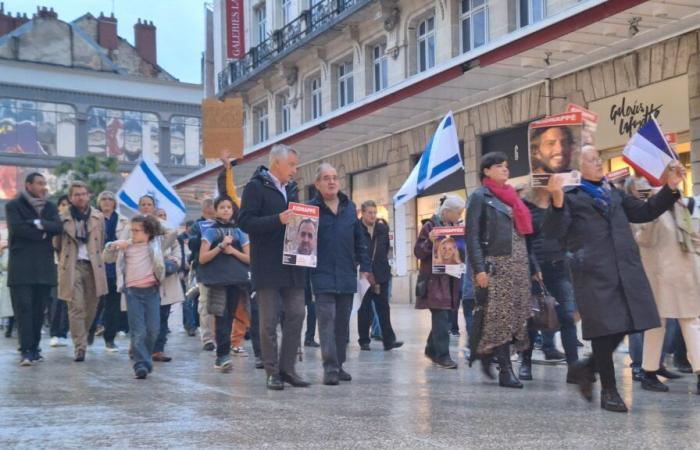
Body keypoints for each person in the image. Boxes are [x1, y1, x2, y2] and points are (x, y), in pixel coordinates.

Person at [544, 146, 684, 412]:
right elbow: (553, 232)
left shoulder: (613, 192)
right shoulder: (570, 195)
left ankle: (586, 367)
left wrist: (669, 187)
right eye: (592, 159)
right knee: (603, 330)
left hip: (625, 268)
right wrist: (557, 200)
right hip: (592, 272)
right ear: (577, 166)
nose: (599, 162)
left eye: (599, 158)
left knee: (629, 323)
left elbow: (644, 212)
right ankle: (609, 391)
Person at [238, 144, 309, 390]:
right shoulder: (255, 187)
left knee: (297, 313)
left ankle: (288, 368)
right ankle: (271, 371)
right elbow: (245, 222)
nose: (295, 170)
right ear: (276, 163)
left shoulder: (291, 189)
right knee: (268, 320)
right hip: (267, 265)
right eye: (292, 165)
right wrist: (277, 220)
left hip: (293, 263)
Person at [465, 152, 539, 388]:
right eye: (499, 166)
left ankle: (489, 354)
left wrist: (534, 266)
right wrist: (479, 269)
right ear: (486, 171)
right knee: (500, 319)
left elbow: (525, 237)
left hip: (518, 265)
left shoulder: (512, 198)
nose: (505, 170)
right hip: (494, 265)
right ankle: (505, 370)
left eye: (506, 166)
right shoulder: (479, 196)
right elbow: (472, 236)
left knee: (516, 316)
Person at [308, 163, 372, 385]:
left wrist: (365, 266)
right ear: (317, 184)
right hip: (321, 273)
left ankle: (339, 364)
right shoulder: (310, 210)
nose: (332, 181)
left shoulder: (349, 207)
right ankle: (330, 368)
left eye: (334, 177)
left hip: (346, 273)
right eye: (326, 178)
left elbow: (359, 240)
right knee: (326, 321)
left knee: (342, 323)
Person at [633, 193, 700, 394]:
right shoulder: (652, 211)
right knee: (666, 324)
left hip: (682, 275)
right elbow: (643, 239)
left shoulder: (680, 207)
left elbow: (693, 238)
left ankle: (649, 371)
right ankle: (649, 371)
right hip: (662, 276)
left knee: (684, 323)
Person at [519, 186, 580, 381]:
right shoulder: (525, 206)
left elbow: (570, 232)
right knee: (533, 318)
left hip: (560, 267)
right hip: (535, 270)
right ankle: (525, 363)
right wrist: (533, 267)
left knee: (566, 318)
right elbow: (523, 242)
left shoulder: (560, 204)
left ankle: (573, 367)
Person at [6, 173, 62, 365]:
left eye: (45, 183)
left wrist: (38, 224)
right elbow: (17, 229)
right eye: (39, 183)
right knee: (23, 310)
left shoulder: (50, 206)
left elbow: (58, 227)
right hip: (21, 268)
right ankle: (25, 350)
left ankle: (35, 348)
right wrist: (43, 233)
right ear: (28, 185)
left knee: (39, 311)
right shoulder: (13, 205)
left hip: (44, 268)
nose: (43, 187)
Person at [103, 214, 168, 379]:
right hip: (133, 293)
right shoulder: (126, 246)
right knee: (138, 331)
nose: (133, 233)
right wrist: (113, 245)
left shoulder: (155, 244)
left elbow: (172, 231)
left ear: (148, 232)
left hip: (152, 291)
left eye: (137, 230)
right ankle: (141, 364)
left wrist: (154, 219)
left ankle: (144, 358)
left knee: (153, 330)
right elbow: (106, 258)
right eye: (132, 230)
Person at [55, 181, 108, 362]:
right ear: (70, 197)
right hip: (72, 265)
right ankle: (80, 347)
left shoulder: (98, 217)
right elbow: (57, 244)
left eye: (83, 193)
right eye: (76, 194)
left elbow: (101, 241)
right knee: (76, 307)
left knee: (91, 307)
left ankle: (83, 336)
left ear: (89, 195)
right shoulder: (63, 217)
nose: (80, 197)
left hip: (93, 265)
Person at [199, 196, 251, 372]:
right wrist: (220, 246)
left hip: (236, 280)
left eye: (229, 207)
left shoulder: (239, 231)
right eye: (222, 207)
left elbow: (249, 257)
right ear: (216, 210)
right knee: (221, 317)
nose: (226, 210)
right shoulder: (210, 231)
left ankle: (225, 353)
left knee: (231, 317)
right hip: (217, 281)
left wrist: (233, 251)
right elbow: (202, 258)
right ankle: (222, 356)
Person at [415, 194, 465, 370]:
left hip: (451, 278)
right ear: (447, 212)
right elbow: (418, 252)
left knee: (444, 317)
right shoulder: (430, 225)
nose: (460, 216)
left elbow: (460, 251)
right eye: (457, 212)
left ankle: (431, 349)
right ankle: (443, 355)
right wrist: (429, 241)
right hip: (434, 280)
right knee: (442, 317)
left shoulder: (456, 227)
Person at [136, 195, 183, 363]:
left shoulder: (166, 227)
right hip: (142, 276)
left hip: (165, 277)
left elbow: (176, 247)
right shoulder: (133, 226)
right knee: (143, 315)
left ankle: (158, 349)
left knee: (163, 314)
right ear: (139, 206)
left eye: (149, 204)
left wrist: (175, 261)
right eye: (143, 204)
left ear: (154, 206)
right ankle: (140, 347)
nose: (146, 207)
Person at [356, 200, 402, 352]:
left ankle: (389, 341)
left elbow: (385, 249)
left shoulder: (382, 228)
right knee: (365, 309)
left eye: (375, 213)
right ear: (363, 213)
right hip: (365, 275)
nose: (373, 216)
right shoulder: (357, 228)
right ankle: (364, 340)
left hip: (381, 274)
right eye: (370, 213)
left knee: (384, 308)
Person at [94, 191, 129, 353]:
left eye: (110, 199)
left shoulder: (123, 221)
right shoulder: (93, 218)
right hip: (97, 265)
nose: (107, 202)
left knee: (113, 305)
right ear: (99, 202)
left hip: (116, 267)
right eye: (104, 199)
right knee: (95, 303)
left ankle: (110, 338)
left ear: (115, 202)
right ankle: (89, 331)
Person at [187, 198, 217, 351]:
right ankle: (207, 338)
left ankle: (220, 335)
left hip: (221, 270)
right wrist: (204, 235)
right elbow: (191, 244)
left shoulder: (223, 223)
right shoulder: (196, 226)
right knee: (205, 304)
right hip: (204, 269)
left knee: (221, 303)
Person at [48, 195, 70, 348]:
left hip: (72, 265)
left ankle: (63, 332)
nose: (65, 207)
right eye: (62, 204)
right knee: (56, 299)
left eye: (68, 204)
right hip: (56, 264)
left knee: (68, 300)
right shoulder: (54, 222)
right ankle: (55, 332)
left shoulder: (74, 221)